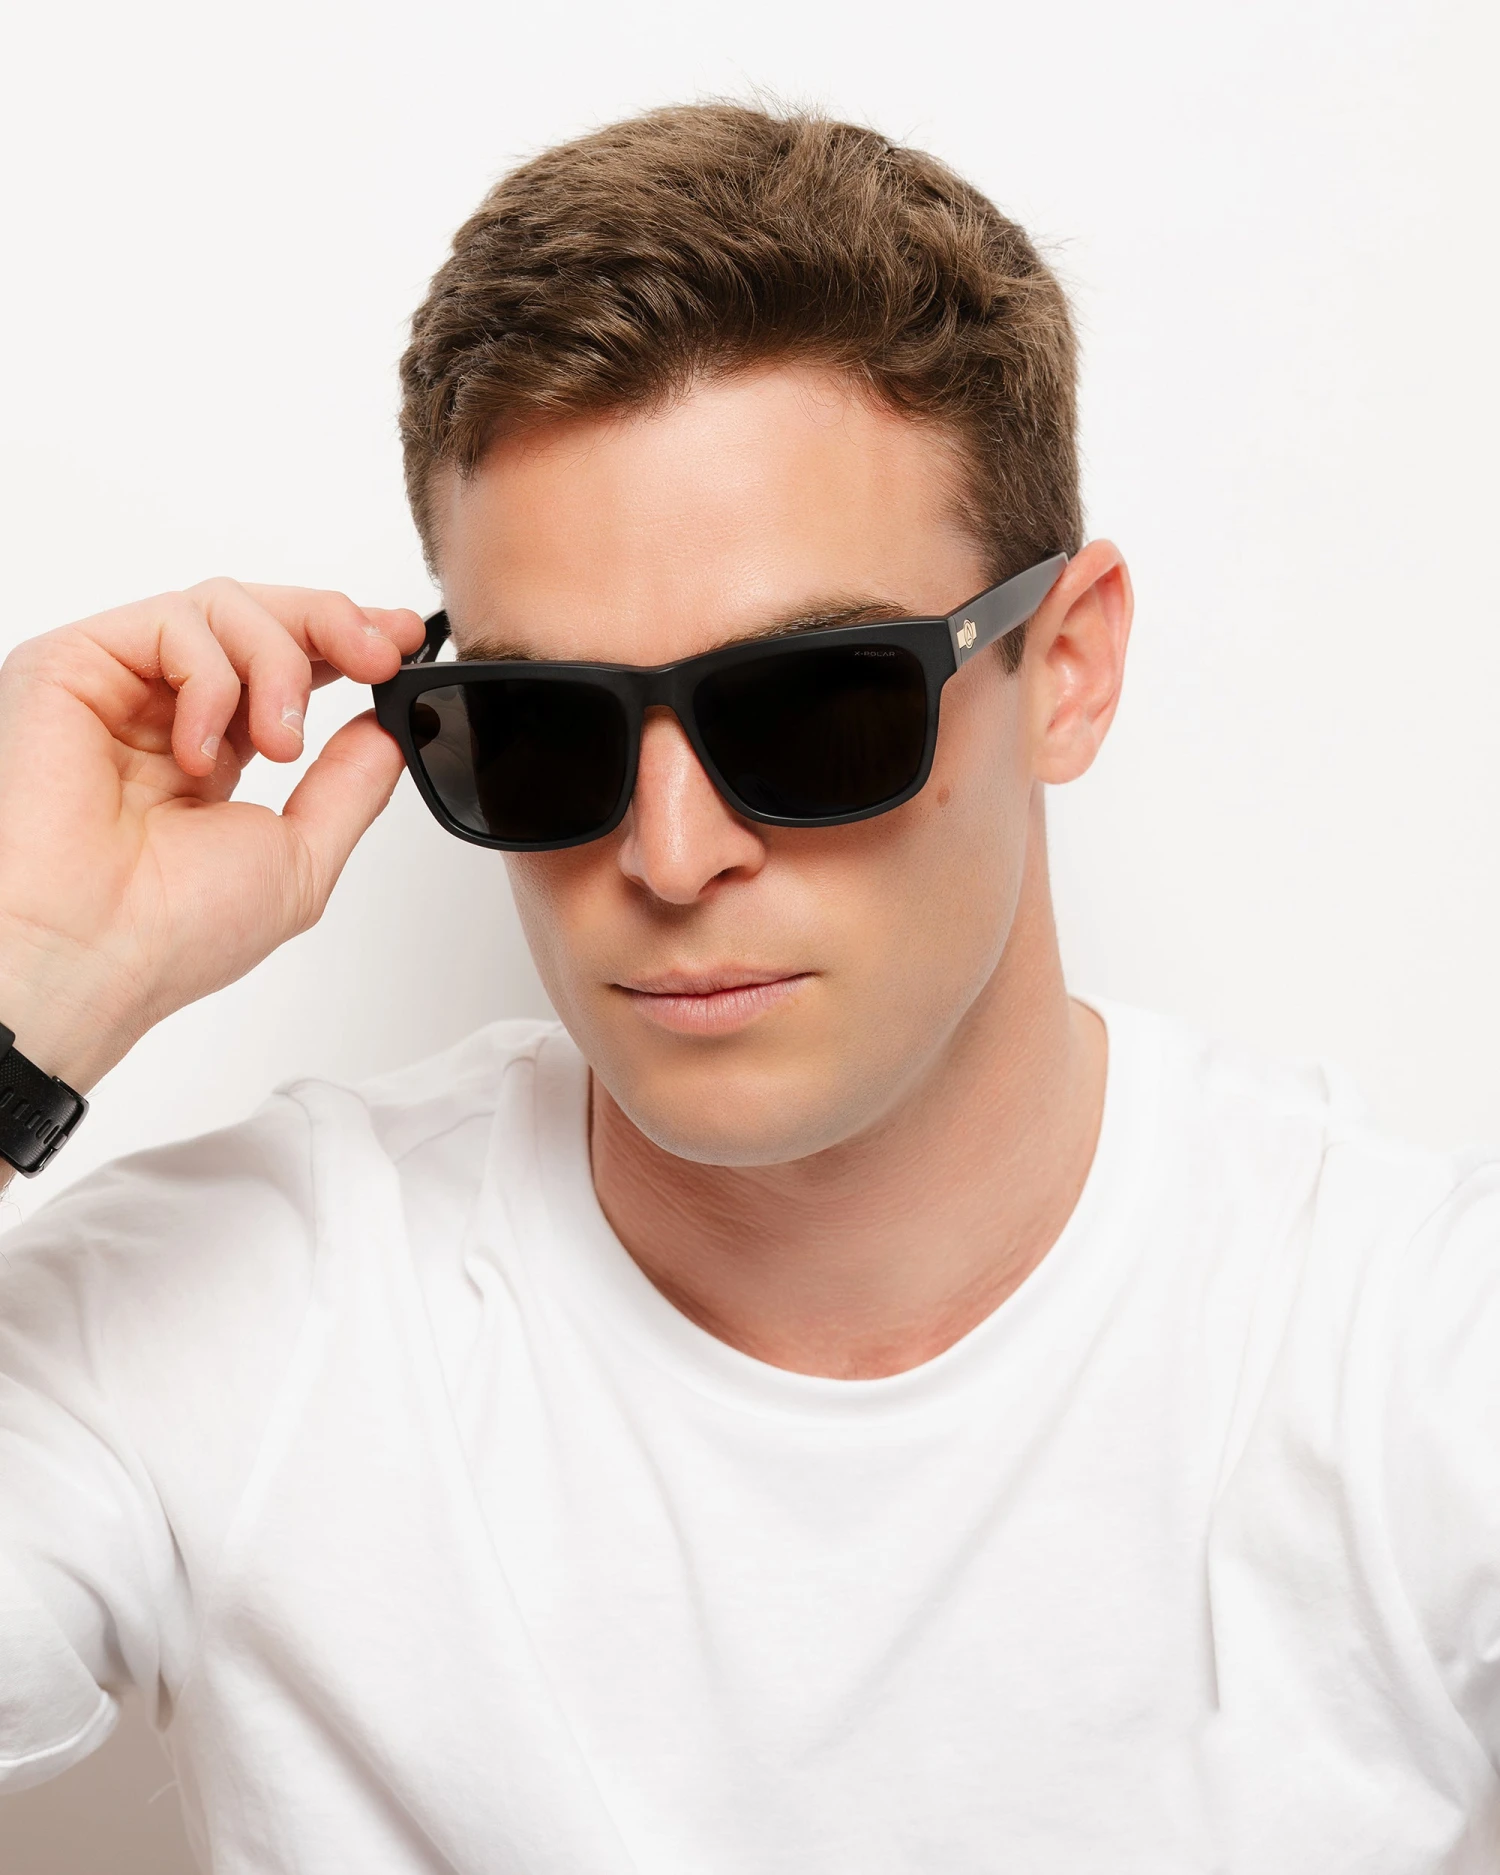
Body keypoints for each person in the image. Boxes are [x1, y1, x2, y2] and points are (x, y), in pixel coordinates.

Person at [0, 101, 1496, 1875]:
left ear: (1066, 666)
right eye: (543, 729)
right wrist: (24, 980)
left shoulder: (1406, 1352)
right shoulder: (238, 1319)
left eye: (812, 706)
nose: (670, 848)